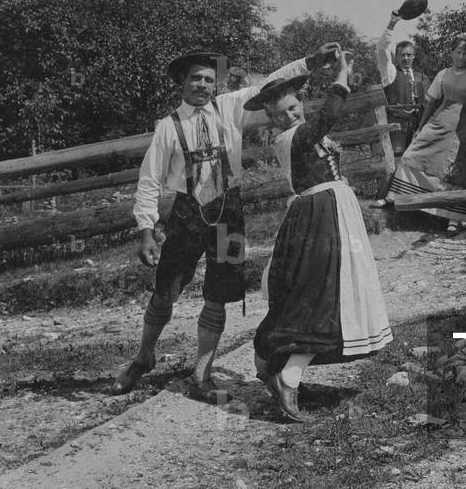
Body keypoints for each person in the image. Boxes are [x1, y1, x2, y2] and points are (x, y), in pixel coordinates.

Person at [111, 45, 339, 401]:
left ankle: (201, 376)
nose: (202, 85)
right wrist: (146, 230)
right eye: (195, 79)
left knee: (218, 295)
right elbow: (150, 180)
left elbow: (275, 80)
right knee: (166, 291)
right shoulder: (167, 128)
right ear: (182, 84)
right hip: (187, 214)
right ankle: (143, 357)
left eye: (208, 79)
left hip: (228, 212)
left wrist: (315, 60)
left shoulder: (232, 107)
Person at [245, 47, 392, 423]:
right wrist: (341, 77)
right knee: (320, 291)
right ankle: (285, 376)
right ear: (272, 121)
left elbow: (320, 133)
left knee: (327, 290)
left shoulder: (301, 134)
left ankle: (274, 365)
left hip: (331, 210)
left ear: (301, 105)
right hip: (317, 214)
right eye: (280, 115)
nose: (288, 116)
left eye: (293, 108)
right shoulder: (289, 139)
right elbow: (326, 119)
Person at [376, 34, 466, 233]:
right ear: (452, 53)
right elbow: (431, 102)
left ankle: (454, 219)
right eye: (458, 52)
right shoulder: (443, 74)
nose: (462, 56)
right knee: (411, 156)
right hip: (440, 122)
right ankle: (398, 197)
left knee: (454, 171)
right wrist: (422, 127)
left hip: (463, 127)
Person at [376, 11, 431, 155]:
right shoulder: (391, 73)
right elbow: (381, 49)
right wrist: (392, 24)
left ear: (414, 56)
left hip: (418, 130)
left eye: (409, 55)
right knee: (397, 164)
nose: (406, 58)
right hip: (397, 130)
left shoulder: (422, 77)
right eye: (402, 55)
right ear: (396, 56)